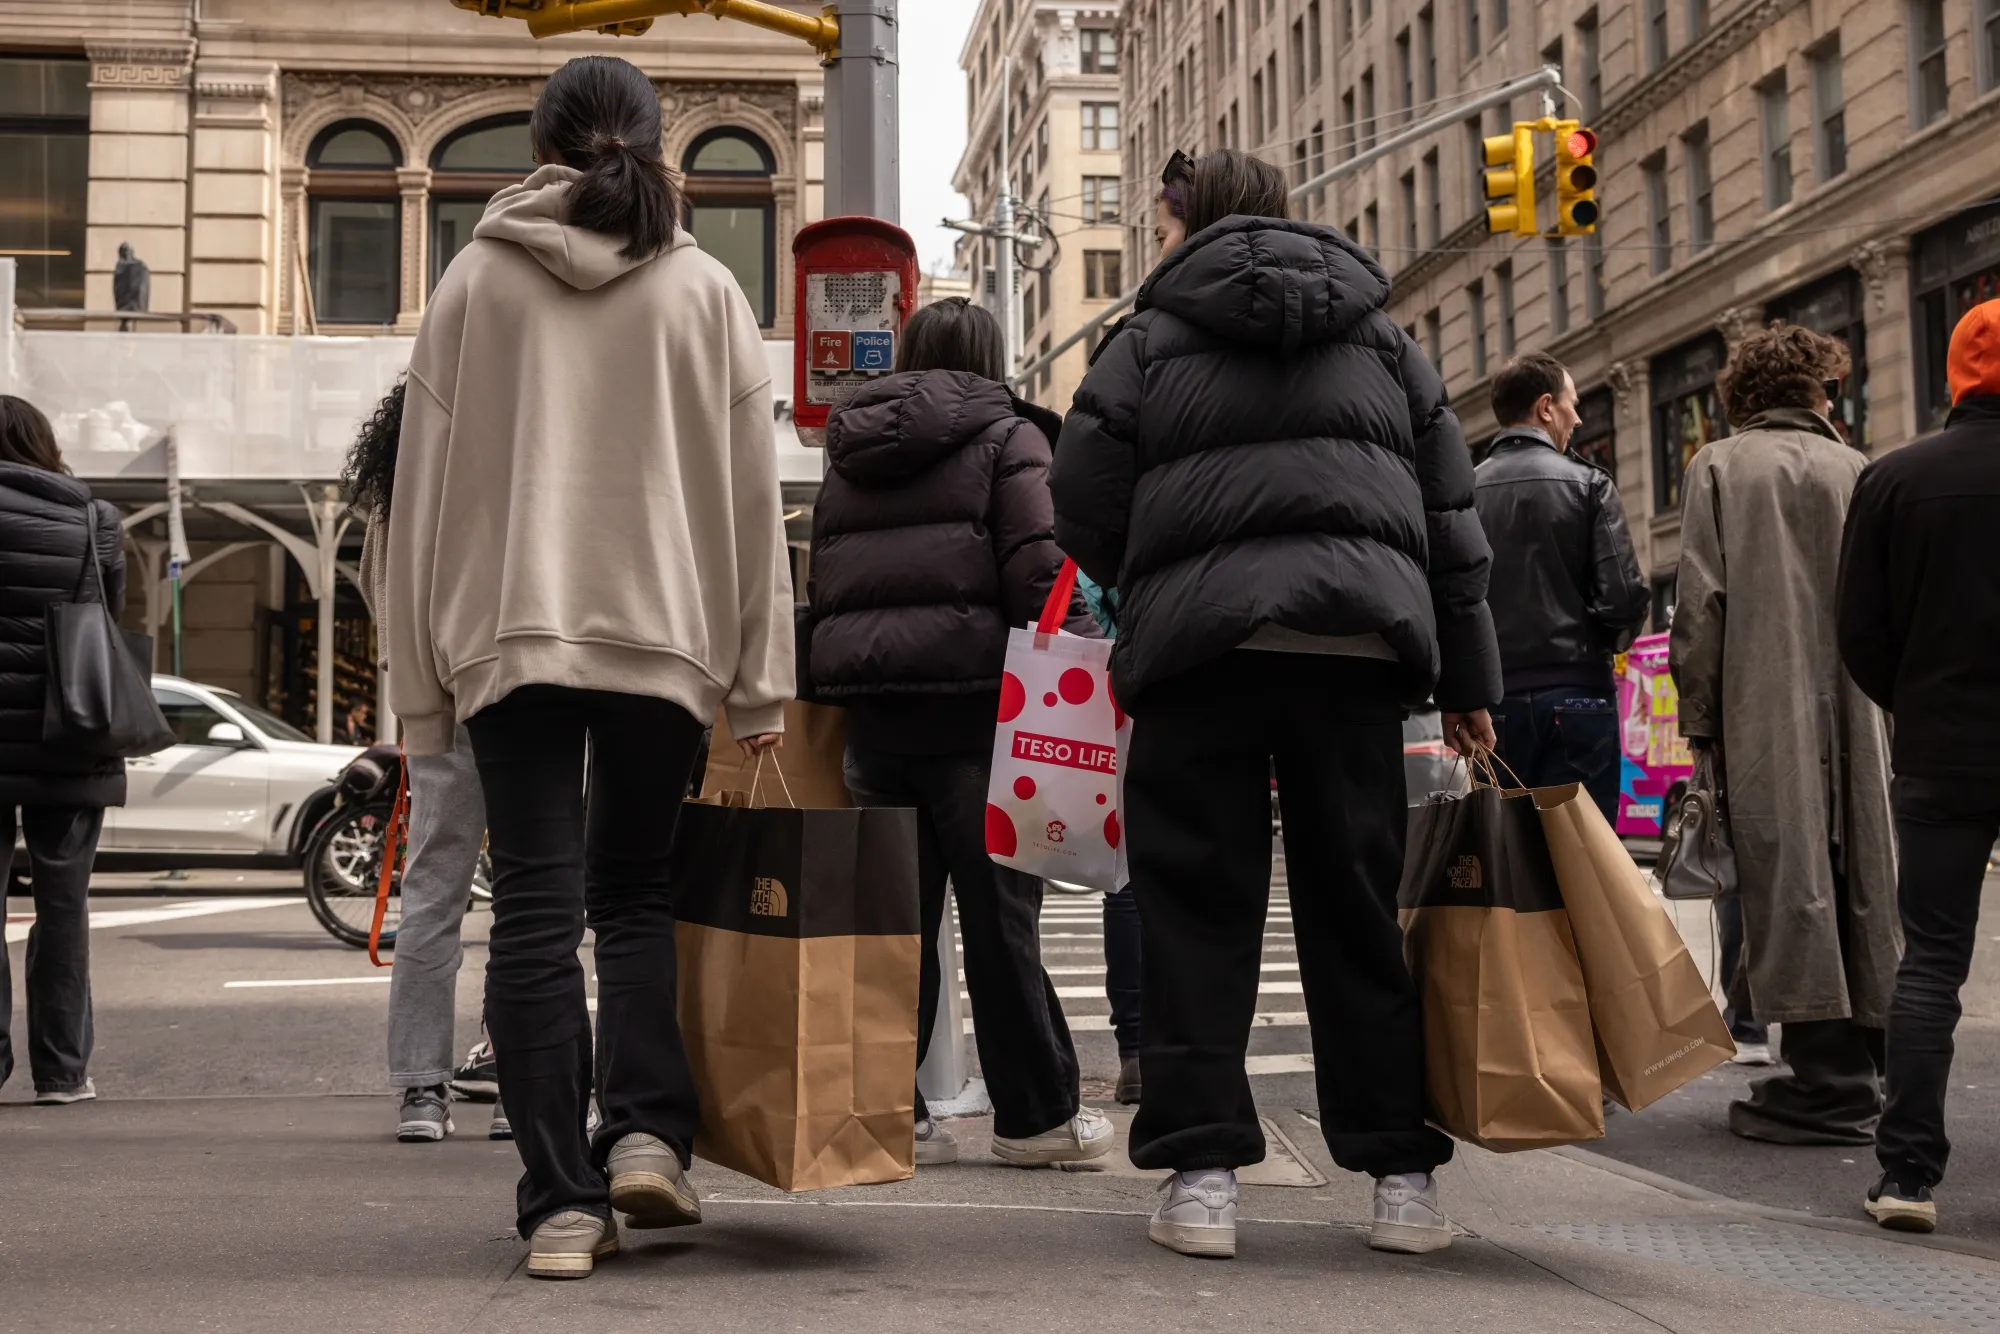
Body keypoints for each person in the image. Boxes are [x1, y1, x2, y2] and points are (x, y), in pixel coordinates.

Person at [1050, 149, 1501, 1260]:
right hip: (1353, 651)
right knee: (1354, 909)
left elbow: (1079, 495)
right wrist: (1467, 683)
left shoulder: (1146, 341)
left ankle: (1203, 1176)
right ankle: (1401, 1179)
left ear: (1190, 221)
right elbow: (1450, 516)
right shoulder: (1385, 341)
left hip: (1202, 653)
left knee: (1196, 907)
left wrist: (1160, 573)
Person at [386, 55, 794, 1280]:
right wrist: (758, 677)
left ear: (540, 146)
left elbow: (421, 498)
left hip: (511, 634)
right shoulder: (707, 288)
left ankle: (560, 1201)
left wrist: (420, 688)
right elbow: (746, 500)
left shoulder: (473, 280)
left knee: (533, 908)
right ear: (657, 143)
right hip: (662, 633)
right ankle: (645, 1136)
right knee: (632, 896)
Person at [808, 297, 1112, 1170]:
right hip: (981, 719)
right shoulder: (1009, 436)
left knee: (889, 935)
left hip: (872, 722)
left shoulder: (849, 448)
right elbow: (1039, 572)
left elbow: (827, 576)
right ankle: (1036, 1118)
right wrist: (1089, 669)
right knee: (998, 925)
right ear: (987, 356)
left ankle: (881, 1114)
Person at [1671, 323, 1900, 1147]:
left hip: (1761, 702)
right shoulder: (1859, 469)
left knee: (1786, 873)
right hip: (1862, 703)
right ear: (1819, 392)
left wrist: (1701, 725)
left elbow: (1700, 605)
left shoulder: (1719, 467)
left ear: (1742, 397)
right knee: (1864, 873)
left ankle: (1824, 1078)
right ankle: (1867, 1065)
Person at [1837, 298, 2000, 1233]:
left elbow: (1860, 630)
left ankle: (1906, 1176)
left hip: (1940, 749)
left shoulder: (1896, 479)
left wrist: (1915, 698)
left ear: (1954, 373)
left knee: (1931, 958)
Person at [343, 378, 500, 1145]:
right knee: (540, 888)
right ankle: (520, 1077)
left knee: (435, 888)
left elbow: (379, 594)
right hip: (518, 684)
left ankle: (421, 1090)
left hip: (438, 701)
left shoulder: (397, 484)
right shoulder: (504, 458)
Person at [0, 394, 127, 1106]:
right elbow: (108, 614)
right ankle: (62, 1072)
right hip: (67, 727)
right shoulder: (92, 517)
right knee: (63, 902)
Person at [1472, 353, 1649, 823]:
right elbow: (1625, 600)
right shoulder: (1588, 485)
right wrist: (1597, 644)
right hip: (1578, 696)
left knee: (1506, 860)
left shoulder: (1463, 495)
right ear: (1546, 407)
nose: (1579, 417)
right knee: (1585, 866)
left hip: (1495, 706)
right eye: (1573, 404)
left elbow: (1450, 600)